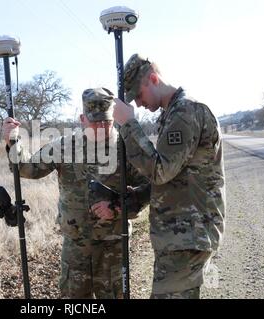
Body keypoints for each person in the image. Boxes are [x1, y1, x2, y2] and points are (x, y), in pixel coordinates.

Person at [2, 87, 150, 299]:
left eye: (106, 122)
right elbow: (27, 168)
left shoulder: (126, 148)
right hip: (76, 246)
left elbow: (149, 186)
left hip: (114, 246)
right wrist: (12, 141)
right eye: (94, 122)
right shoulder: (65, 147)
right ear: (82, 119)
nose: (100, 128)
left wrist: (118, 206)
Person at [112, 54, 226, 299]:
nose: (139, 104)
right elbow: (176, 174)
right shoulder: (172, 114)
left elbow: (160, 170)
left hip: (188, 233)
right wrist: (140, 196)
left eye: (139, 96)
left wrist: (129, 124)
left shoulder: (186, 112)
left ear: (153, 79)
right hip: (179, 234)